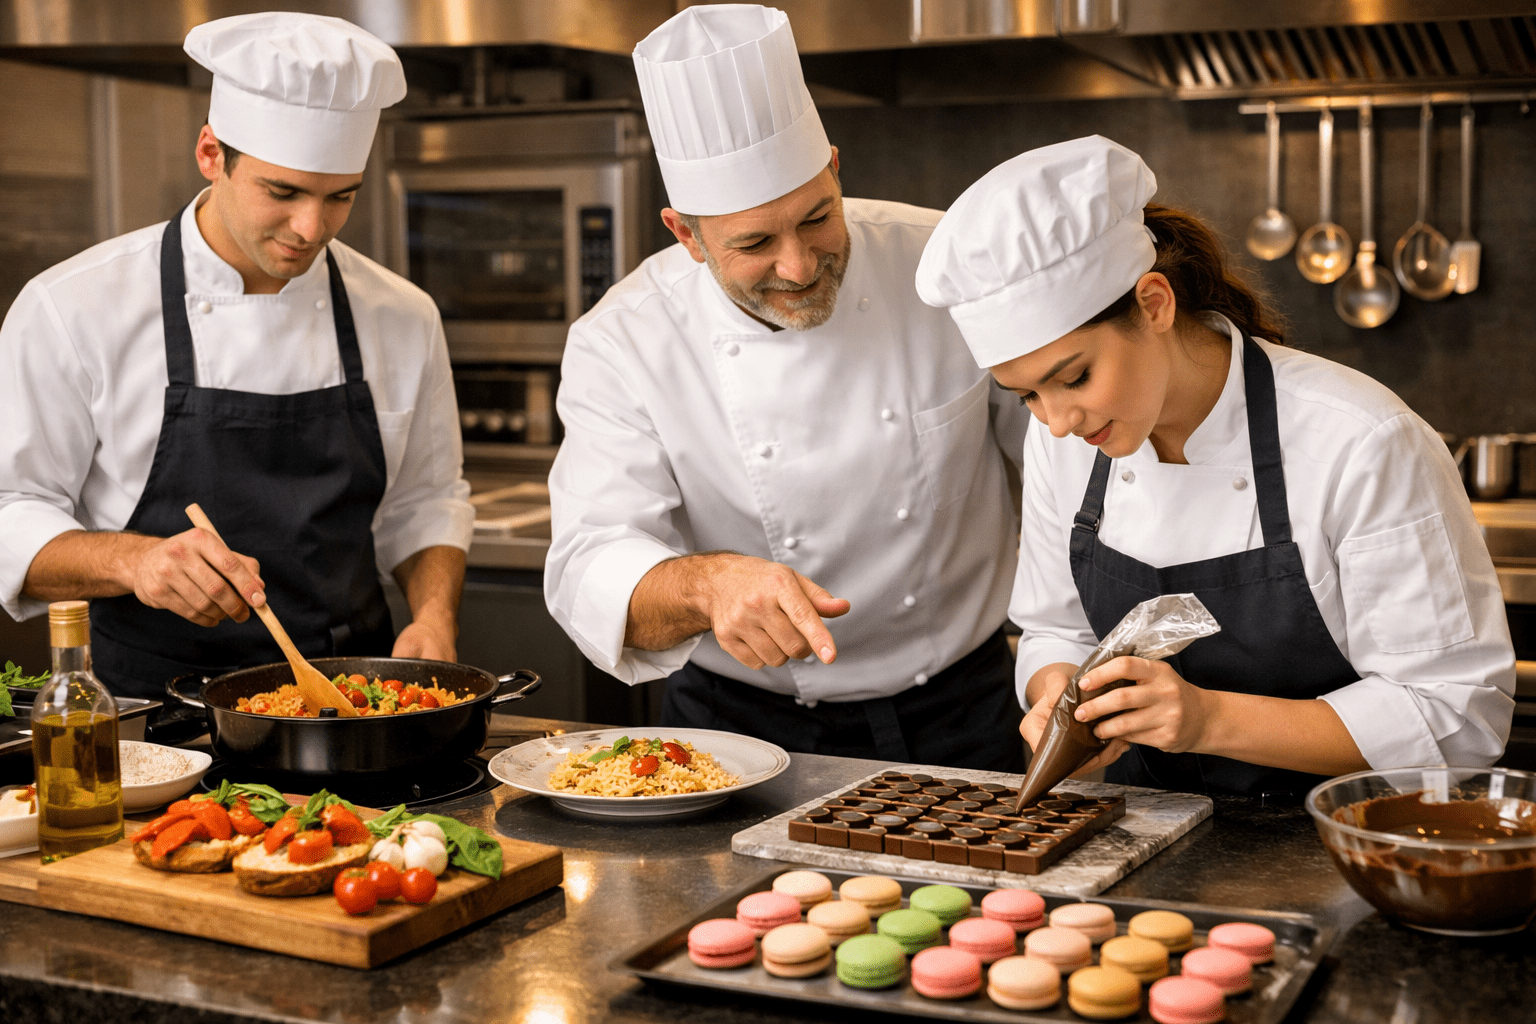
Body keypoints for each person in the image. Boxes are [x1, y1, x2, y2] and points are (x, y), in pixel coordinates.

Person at [915, 136, 1514, 797]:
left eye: (1075, 377)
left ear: (1154, 304)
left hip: (1338, 843)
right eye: (1027, 394)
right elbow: (1056, 626)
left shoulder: (1361, 441)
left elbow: (1455, 717)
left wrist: (1207, 718)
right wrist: (1058, 691)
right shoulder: (1063, 440)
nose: (1056, 421)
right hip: (1139, 833)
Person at [545, 4, 1030, 770]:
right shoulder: (625, 338)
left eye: (817, 217)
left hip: (966, 712)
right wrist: (708, 585)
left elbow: (1074, 471)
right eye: (754, 243)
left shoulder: (948, 266)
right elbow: (588, 565)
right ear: (686, 235)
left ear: (835, 168)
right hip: (738, 729)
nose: (800, 265)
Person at [0, 12, 473, 700]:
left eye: (340, 197)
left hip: (352, 707)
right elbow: (11, 509)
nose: (311, 229)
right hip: (151, 712)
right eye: (282, 192)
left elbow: (425, 501)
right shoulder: (73, 307)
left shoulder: (400, 314)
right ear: (210, 154)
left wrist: (434, 617)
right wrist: (138, 564)